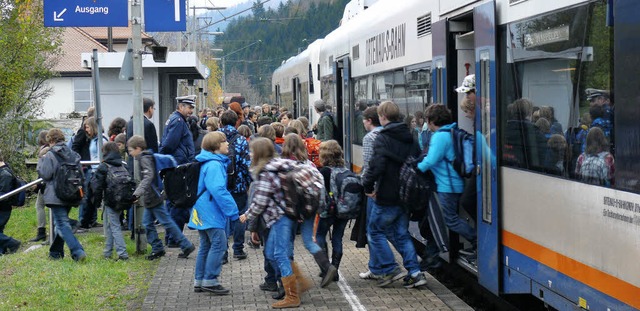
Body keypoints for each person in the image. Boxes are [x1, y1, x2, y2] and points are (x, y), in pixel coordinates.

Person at [361, 101, 427, 288]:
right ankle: (415, 272)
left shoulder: (383, 137)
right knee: (401, 233)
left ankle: (390, 268)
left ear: (382, 117)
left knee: (374, 231)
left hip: (387, 193)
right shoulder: (410, 136)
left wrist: (367, 186)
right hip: (406, 194)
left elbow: (376, 166)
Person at [239, 138, 300, 309]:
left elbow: (260, 201)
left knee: (278, 253)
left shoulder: (266, 172)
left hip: (280, 217)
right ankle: (298, 282)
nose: (250, 154)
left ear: (258, 153)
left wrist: (247, 215)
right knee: (272, 253)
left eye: (252, 151)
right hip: (284, 216)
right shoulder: (280, 165)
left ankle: (292, 295)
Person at [417, 104, 477, 257]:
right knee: (452, 218)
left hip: (447, 186)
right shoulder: (452, 131)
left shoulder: (439, 136)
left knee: (450, 219)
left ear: (431, 121)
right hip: (455, 183)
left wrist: (416, 168)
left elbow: (431, 160)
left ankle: (476, 239)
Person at [281, 133, 336, 289]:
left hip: (291, 210)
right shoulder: (309, 165)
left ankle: (290, 281)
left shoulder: (284, 165)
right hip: (309, 209)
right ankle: (327, 266)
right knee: (308, 241)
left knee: (287, 244)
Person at [128, 135, 196, 260]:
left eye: (131, 150)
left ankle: (184, 245)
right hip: (153, 196)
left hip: (153, 196)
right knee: (149, 223)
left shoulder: (144, 159)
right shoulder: (148, 156)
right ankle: (158, 247)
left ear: (138, 148)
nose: (130, 153)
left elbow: (148, 177)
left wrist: (137, 193)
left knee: (165, 222)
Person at [189, 132, 239, 295]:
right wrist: (233, 211)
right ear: (216, 146)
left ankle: (200, 280)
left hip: (201, 208)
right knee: (219, 243)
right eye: (224, 142)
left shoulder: (207, 162)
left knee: (206, 245)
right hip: (210, 209)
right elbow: (218, 189)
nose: (227, 144)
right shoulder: (215, 165)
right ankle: (210, 280)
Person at [37, 128, 87, 261]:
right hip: (72, 192)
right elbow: (81, 174)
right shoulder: (73, 153)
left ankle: (77, 251)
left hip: (56, 194)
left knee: (62, 223)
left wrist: (41, 159)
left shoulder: (51, 154)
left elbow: (46, 174)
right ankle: (55, 253)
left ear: (51, 140)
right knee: (60, 223)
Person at [160, 95, 196, 246]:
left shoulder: (175, 119)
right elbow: (169, 144)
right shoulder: (179, 121)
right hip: (179, 168)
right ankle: (174, 238)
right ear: (181, 107)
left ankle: (171, 238)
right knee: (178, 204)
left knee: (174, 203)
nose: (191, 111)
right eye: (189, 107)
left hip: (176, 166)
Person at [218, 110, 252, 261]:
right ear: (236, 122)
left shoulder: (215, 139)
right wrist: (248, 182)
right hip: (238, 185)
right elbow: (246, 164)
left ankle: (222, 252)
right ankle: (238, 249)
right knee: (239, 215)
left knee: (222, 217)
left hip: (220, 185)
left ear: (221, 122)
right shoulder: (241, 140)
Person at [316, 140, 350, 281]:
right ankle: (335, 269)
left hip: (328, 211)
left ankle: (326, 269)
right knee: (337, 238)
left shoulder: (324, 171)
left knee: (319, 236)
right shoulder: (346, 170)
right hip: (344, 210)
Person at [91, 142, 130, 260]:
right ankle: (107, 252)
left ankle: (122, 254)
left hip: (111, 200)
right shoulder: (122, 165)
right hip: (123, 199)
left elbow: (96, 186)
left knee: (114, 226)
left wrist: (96, 202)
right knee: (110, 225)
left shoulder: (104, 167)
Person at [358, 106, 383, 279]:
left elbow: (368, 166)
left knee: (372, 229)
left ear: (369, 121)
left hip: (374, 190)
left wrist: (366, 187)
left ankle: (378, 267)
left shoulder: (369, 138)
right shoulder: (387, 134)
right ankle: (413, 267)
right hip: (390, 187)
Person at [78, 116, 107, 230]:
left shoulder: (101, 140)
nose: (86, 130)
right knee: (88, 197)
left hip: (97, 171)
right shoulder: (93, 140)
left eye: (88, 127)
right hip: (93, 170)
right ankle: (86, 222)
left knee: (90, 197)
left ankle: (85, 222)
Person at [29, 130, 50, 242]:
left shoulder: (44, 150)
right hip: (45, 182)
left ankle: (41, 231)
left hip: (44, 183)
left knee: (40, 206)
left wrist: (37, 184)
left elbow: (42, 169)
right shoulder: (49, 149)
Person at [0, 151, 21, 256]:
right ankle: (2, 250)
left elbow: (4, 194)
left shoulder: (5, 174)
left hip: (3, 208)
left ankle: (12, 243)